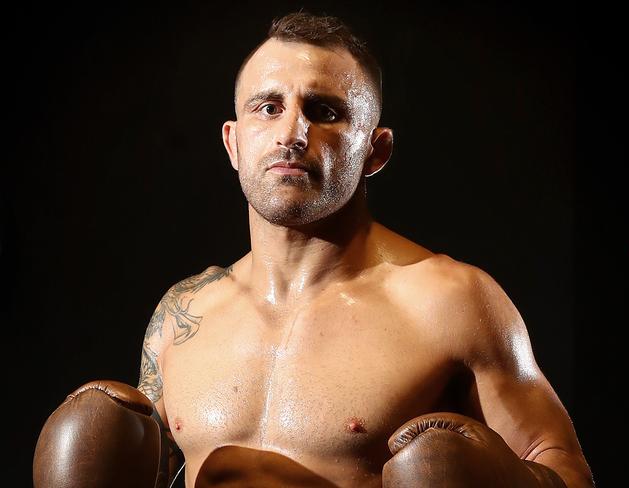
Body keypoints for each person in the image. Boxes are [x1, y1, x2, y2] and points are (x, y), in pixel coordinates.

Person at [33, 11, 594, 488]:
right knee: (91, 433)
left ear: (375, 151)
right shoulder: (187, 313)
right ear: (234, 142)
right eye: (268, 107)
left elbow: (565, 468)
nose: (291, 132)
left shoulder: (450, 301)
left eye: (324, 111)